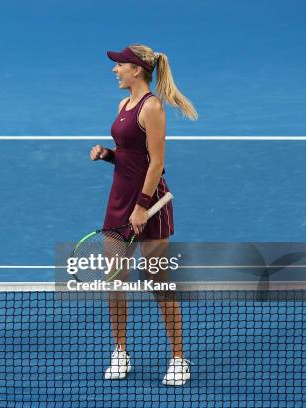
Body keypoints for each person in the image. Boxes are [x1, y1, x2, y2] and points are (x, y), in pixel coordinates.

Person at [89, 44, 197, 386]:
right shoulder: (123, 105)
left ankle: (179, 358)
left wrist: (141, 206)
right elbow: (129, 156)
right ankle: (120, 352)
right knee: (115, 282)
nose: (114, 70)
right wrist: (107, 155)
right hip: (118, 203)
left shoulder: (152, 107)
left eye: (119, 65)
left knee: (157, 283)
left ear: (136, 69)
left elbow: (157, 162)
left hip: (149, 206)